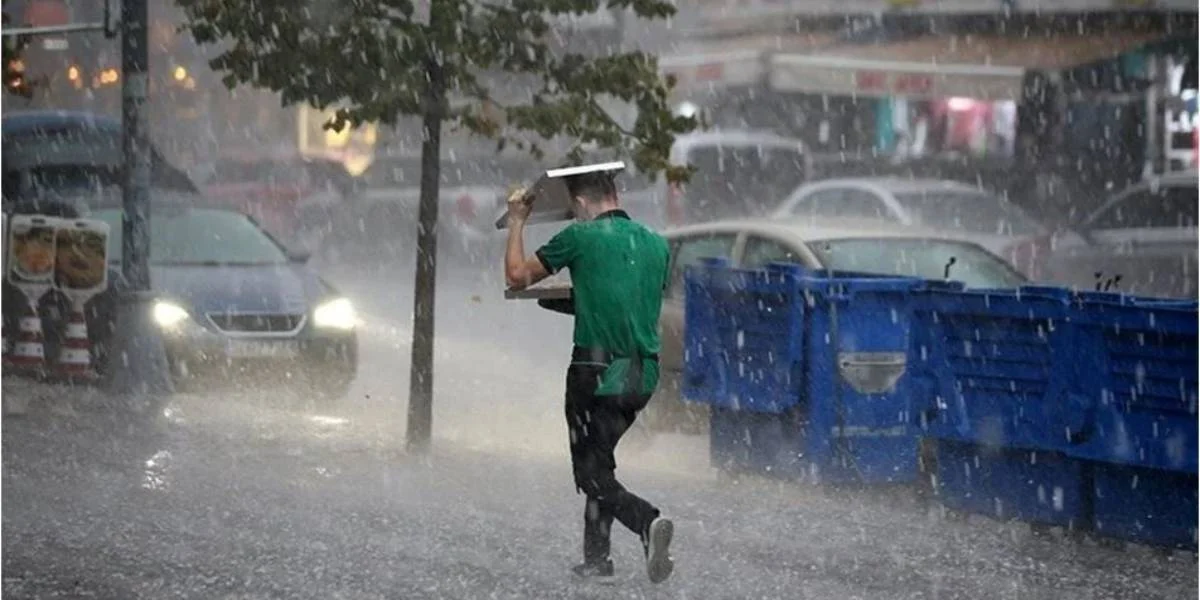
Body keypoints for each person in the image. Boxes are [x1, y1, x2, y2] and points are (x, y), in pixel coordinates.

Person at [503, 169, 675, 584]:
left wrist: (516, 222)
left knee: (590, 473)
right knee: (600, 461)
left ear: (579, 204)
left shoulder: (579, 238)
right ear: (616, 192)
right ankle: (597, 559)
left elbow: (516, 276)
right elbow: (628, 301)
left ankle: (646, 521)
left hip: (595, 372)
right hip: (643, 375)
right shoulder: (656, 244)